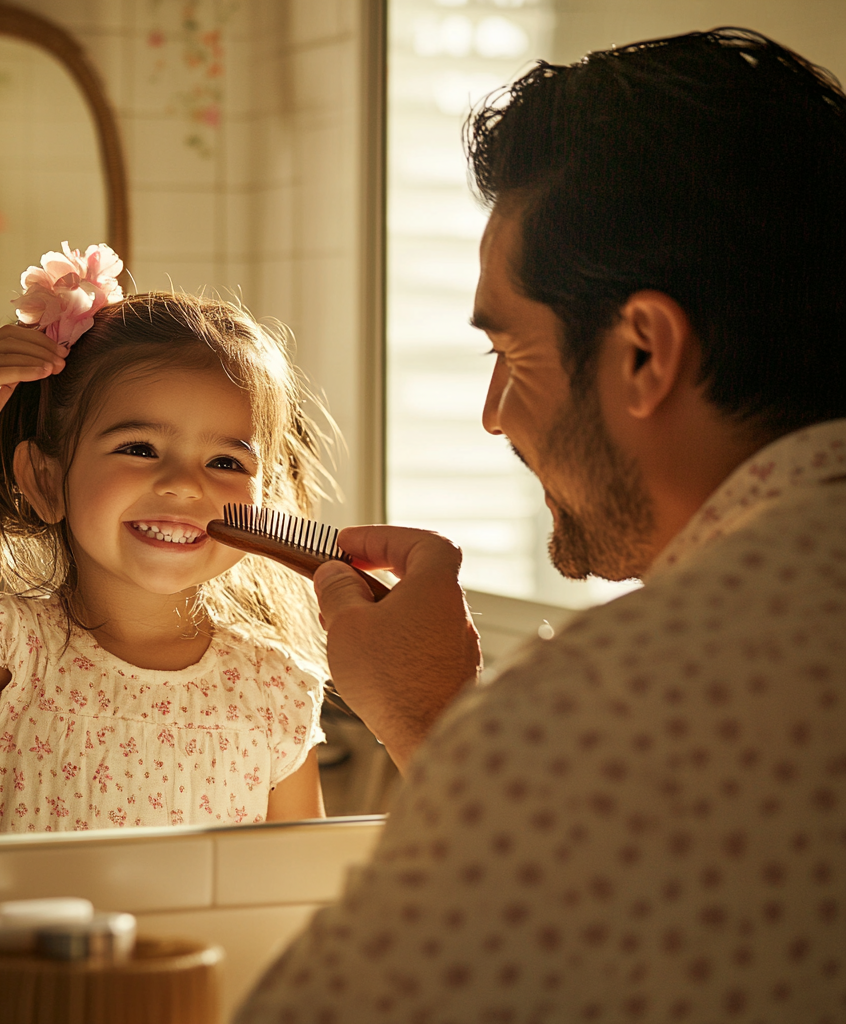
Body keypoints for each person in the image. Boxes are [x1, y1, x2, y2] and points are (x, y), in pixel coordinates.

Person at [235, 28, 846, 1022]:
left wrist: (452, 731)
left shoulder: (596, 716)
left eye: (508, 350)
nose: (492, 413)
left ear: (643, 353)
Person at [0, 244, 333, 834]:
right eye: (139, 448)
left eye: (225, 461)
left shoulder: (275, 688)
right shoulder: (24, 650)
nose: (182, 485)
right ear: (46, 480)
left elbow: (298, 880)